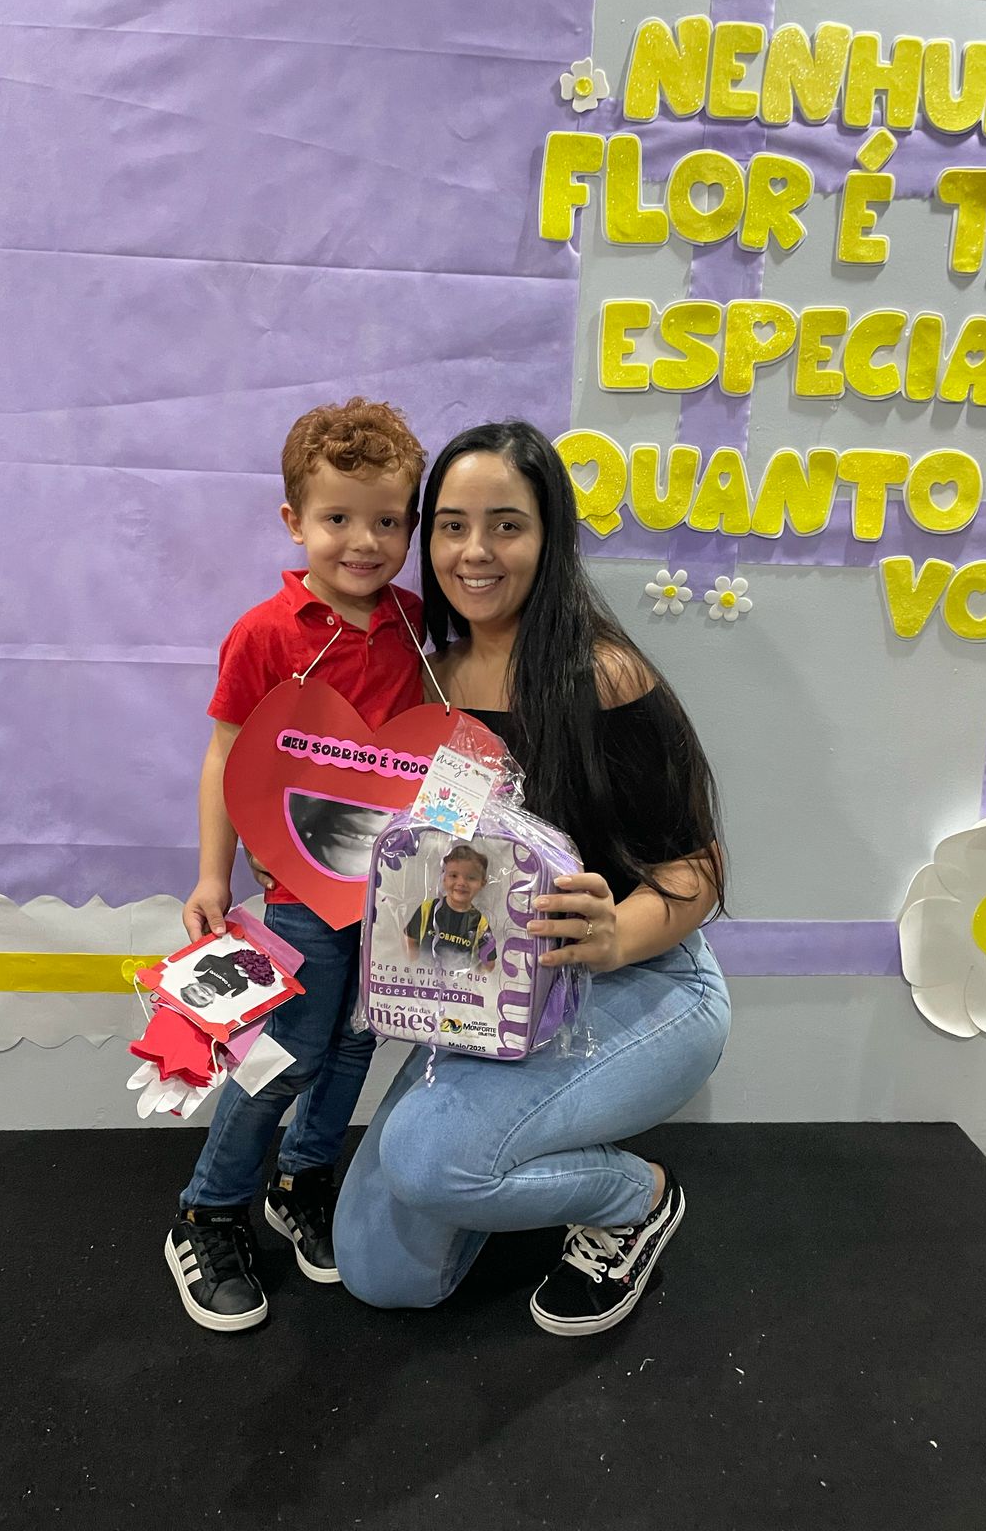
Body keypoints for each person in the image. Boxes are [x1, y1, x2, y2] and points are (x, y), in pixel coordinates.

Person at [332, 420, 731, 1338]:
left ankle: (636, 1200)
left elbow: (698, 867)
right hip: (489, 1000)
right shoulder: (428, 682)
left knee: (427, 1160)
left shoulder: (604, 678)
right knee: (378, 1272)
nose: (475, 552)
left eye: (506, 525)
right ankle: (509, 1158)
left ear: (550, 538)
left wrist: (616, 935)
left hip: (643, 985)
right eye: (452, 525)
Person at [166, 397, 427, 1332]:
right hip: (300, 891)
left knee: (357, 1040)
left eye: (388, 522)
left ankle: (302, 1180)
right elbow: (225, 757)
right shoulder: (266, 633)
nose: (364, 541)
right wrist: (213, 877)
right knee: (284, 1054)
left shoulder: (416, 627)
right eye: (338, 518)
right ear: (294, 521)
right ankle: (208, 1209)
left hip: (392, 893)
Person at [404, 844, 497, 971]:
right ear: (444, 879)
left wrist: (473, 978)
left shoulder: (480, 923)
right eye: (453, 876)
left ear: (482, 883)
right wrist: (414, 969)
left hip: (459, 983)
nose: (461, 883)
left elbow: (489, 963)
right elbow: (409, 940)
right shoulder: (427, 909)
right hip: (423, 979)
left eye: (471, 878)